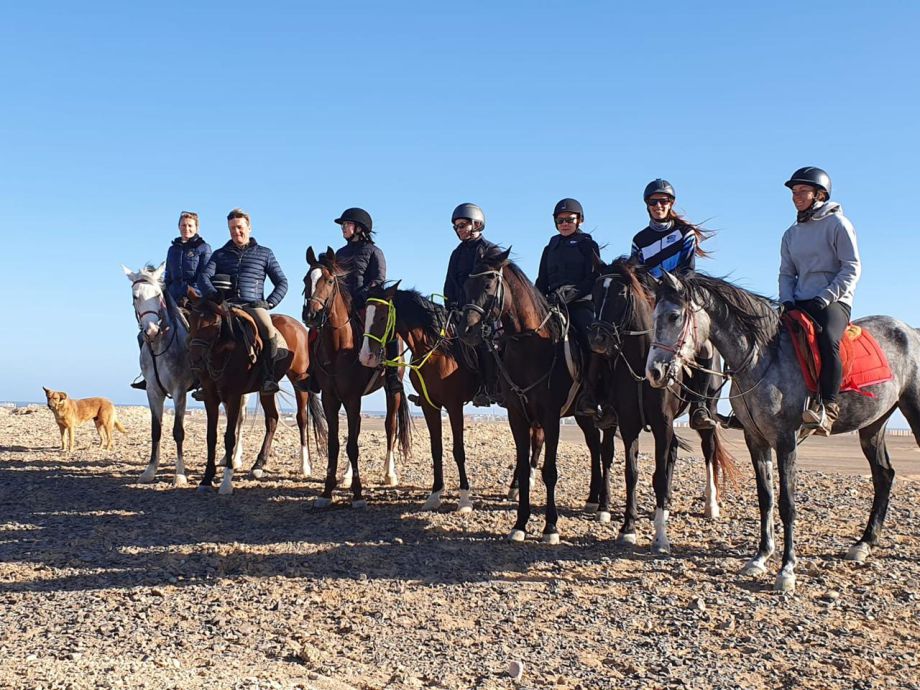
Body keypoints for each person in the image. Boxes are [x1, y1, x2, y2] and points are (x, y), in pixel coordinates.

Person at [779, 166, 861, 435]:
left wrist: (824, 297)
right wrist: (786, 300)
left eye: (802, 191)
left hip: (834, 300)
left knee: (827, 338)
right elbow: (786, 273)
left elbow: (851, 268)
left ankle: (829, 406)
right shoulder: (791, 234)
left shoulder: (838, 224)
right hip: (800, 300)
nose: (796, 196)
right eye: (794, 192)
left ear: (820, 194)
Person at [631, 179, 717, 430]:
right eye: (653, 202)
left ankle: (700, 405)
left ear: (671, 203)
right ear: (647, 205)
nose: (658, 205)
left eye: (663, 201)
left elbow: (688, 270)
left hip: (679, 297)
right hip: (651, 300)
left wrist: (667, 286)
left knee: (706, 346)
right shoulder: (639, 239)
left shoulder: (684, 233)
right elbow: (636, 273)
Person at [198, 208, 289, 394]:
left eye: (239, 227)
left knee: (268, 329)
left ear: (249, 227)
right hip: (225, 305)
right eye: (232, 228)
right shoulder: (219, 254)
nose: (236, 231)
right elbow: (203, 277)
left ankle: (268, 377)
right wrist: (213, 294)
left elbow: (282, 282)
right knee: (202, 330)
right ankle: (202, 381)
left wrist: (269, 303)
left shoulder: (265, 253)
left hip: (253, 305)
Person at [131, 211, 211, 390]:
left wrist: (193, 292)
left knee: (198, 334)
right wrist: (164, 292)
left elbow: (205, 275)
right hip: (172, 299)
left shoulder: (204, 248)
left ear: (196, 227)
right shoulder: (172, 249)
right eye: (183, 225)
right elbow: (167, 276)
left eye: (190, 225)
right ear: (179, 227)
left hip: (194, 299)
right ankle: (148, 375)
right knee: (143, 334)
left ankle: (202, 375)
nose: (186, 228)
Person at [535, 198, 600, 418]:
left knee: (593, 342)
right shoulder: (550, 247)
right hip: (552, 305)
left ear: (579, 220)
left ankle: (593, 393)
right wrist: (537, 301)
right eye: (560, 220)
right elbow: (541, 280)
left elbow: (593, 278)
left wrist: (571, 294)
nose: (564, 224)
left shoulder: (588, 245)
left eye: (569, 220)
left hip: (579, 305)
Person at [334, 207, 402, 394]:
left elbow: (378, 279)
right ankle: (313, 373)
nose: (343, 228)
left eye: (347, 224)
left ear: (359, 228)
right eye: (343, 225)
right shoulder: (340, 253)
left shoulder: (374, 251)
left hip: (364, 303)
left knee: (389, 331)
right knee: (317, 329)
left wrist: (360, 295)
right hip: (342, 305)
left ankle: (392, 375)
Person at [444, 203, 502, 407]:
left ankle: (488, 388)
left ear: (476, 224)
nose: (459, 230)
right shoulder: (456, 253)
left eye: (462, 225)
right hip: (460, 310)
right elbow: (450, 283)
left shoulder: (490, 250)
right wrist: (450, 306)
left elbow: (493, 287)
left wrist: (479, 312)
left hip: (485, 312)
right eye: (456, 227)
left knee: (485, 342)